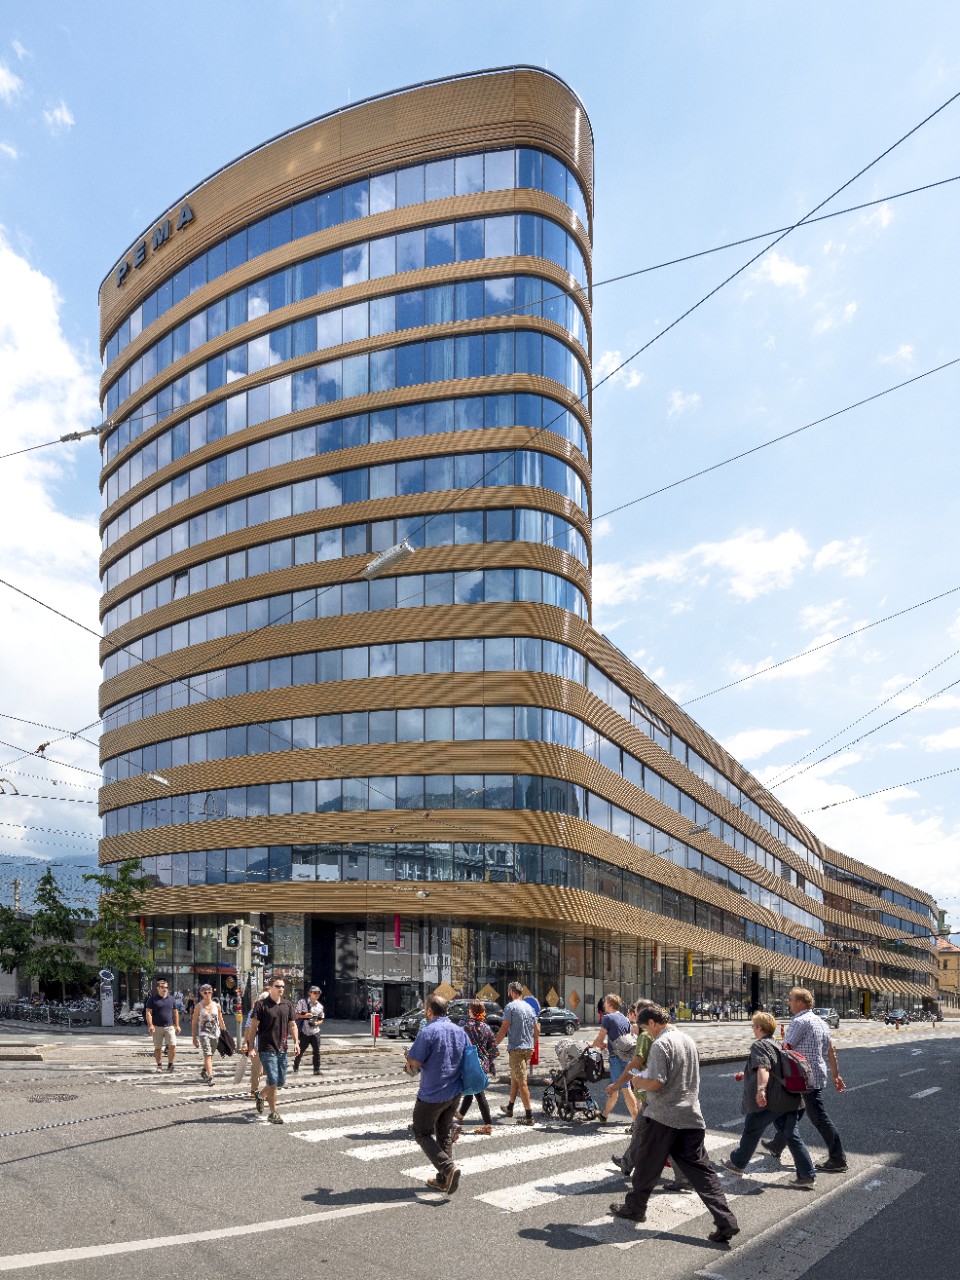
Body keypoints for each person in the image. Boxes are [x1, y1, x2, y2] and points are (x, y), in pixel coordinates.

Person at [608, 1003, 739, 1246]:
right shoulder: (687, 1040)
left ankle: (635, 1208)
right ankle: (726, 1220)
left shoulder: (661, 1044)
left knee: (646, 1165)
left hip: (663, 1117)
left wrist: (638, 1081)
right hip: (691, 1116)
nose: (646, 1033)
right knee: (703, 1172)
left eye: (645, 1028)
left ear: (653, 1023)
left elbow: (657, 1082)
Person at [720, 1012, 815, 1186]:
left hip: (774, 1100)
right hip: (791, 1099)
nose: (753, 1029)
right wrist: (746, 1074)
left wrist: (761, 1090)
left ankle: (737, 1163)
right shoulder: (777, 1044)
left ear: (760, 1028)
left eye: (754, 1026)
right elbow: (774, 1069)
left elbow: (764, 1068)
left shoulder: (760, 1045)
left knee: (752, 1128)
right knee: (792, 1135)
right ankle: (807, 1174)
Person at [761, 986, 847, 1172]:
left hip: (802, 1078)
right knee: (794, 1111)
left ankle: (838, 1159)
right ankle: (777, 1145)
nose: (789, 1003)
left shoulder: (799, 1021)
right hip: (816, 1075)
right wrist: (836, 1075)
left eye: (791, 999)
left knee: (817, 1117)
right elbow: (831, 1051)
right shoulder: (821, 1022)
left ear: (800, 1003)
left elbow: (785, 1048)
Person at [608, 1000, 691, 1193]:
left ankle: (683, 1177)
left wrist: (619, 1083)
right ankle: (627, 1163)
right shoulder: (671, 1034)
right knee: (640, 1131)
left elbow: (636, 1065)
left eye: (636, 1012)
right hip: (666, 1092)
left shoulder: (647, 1037)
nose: (634, 1016)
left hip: (654, 1094)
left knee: (660, 1137)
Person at [404, 993, 467, 1194]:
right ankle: (443, 1179)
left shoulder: (428, 1031)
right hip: (454, 1093)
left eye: (425, 1009)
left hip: (432, 1094)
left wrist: (408, 1058)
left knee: (421, 1131)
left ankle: (448, 1168)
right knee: (443, 1132)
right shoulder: (460, 1031)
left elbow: (415, 1064)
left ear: (430, 1011)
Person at [243, 977, 299, 1124]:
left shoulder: (287, 1005)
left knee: (280, 1081)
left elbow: (293, 1025)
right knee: (273, 1080)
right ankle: (273, 1113)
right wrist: (250, 1047)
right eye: (277, 986)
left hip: (282, 1048)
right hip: (266, 1048)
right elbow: (253, 1027)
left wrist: (296, 1042)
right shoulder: (261, 1005)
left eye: (282, 986)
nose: (281, 989)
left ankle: (261, 1096)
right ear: (271, 988)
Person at [494, 980, 539, 1125]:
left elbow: (504, 1028)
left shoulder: (510, 1007)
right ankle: (510, 1107)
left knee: (521, 1082)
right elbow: (537, 1029)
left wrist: (494, 1044)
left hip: (516, 1049)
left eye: (509, 992)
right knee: (515, 1077)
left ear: (511, 992)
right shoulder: (529, 1007)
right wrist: (533, 1044)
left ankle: (529, 1116)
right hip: (528, 1049)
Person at [455, 999, 498, 1135]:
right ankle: (461, 1116)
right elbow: (494, 1051)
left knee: (461, 1089)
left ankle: (445, 1120)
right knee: (476, 1090)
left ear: (471, 1011)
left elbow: (456, 1043)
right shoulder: (486, 1028)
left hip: (466, 1064)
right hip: (481, 1066)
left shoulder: (464, 1025)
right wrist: (487, 1062)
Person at [591, 993, 636, 1124]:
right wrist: (607, 1044)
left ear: (609, 1004)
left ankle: (637, 1122)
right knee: (615, 1088)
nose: (604, 1004)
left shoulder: (608, 1018)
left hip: (617, 1058)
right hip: (627, 1056)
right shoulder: (625, 1018)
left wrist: (592, 1045)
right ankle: (604, 1115)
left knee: (626, 1089)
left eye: (605, 1002)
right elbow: (623, 1038)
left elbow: (600, 1038)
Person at [191, 983, 227, 1085]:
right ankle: (210, 1076)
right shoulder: (198, 1006)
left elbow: (220, 1019)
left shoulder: (217, 1006)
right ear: (201, 993)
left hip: (215, 1033)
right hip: (204, 1033)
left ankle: (204, 1070)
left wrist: (224, 1032)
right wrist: (194, 1037)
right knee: (207, 1054)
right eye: (205, 992)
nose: (207, 994)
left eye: (209, 992)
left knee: (210, 1055)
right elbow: (194, 1022)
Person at [144, 978, 180, 1073]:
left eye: (166, 987)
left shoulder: (171, 999)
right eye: (163, 987)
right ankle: (159, 1066)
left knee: (172, 1045)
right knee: (158, 1047)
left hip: (169, 1026)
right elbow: (148, 1013)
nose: (165, 989)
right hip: (157, 1027)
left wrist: (177, 1025)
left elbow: (175, 1012)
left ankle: (170, 1065)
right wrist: (150, 1025)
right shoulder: (152, 999)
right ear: (158, 988)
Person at [293, 986, 324, 1075]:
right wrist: (306, 1016)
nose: (317, 995)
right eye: (315, 993)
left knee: (317, 1051)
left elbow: (321, 1019)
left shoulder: (320, 1006)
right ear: (310, 993)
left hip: (315, 1031)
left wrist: (315, 1023)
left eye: (318, 993)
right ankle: (296, 1065)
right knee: (301, 1050)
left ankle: (316, 1069)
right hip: (305, 1031)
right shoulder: (302, 1002)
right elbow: (296, 1015)